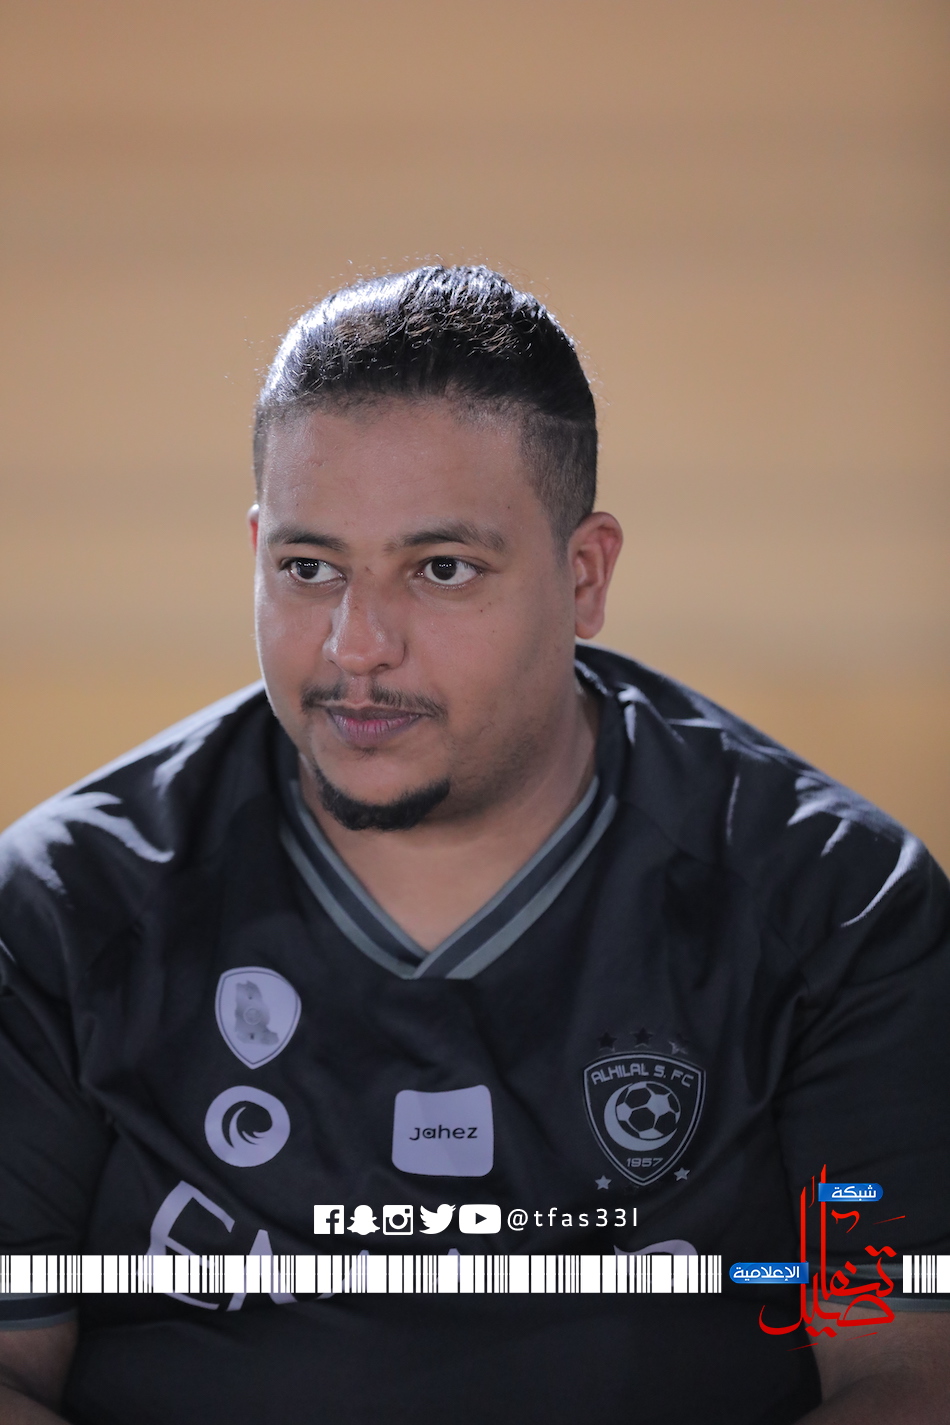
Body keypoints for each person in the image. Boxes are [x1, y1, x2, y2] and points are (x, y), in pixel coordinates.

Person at [0, 265, 947, 1425]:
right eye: (308, 568)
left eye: (440, 569)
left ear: (583, 576)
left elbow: (905, 1367)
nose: (356, 646)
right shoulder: (62, 908)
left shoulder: (834, 906)